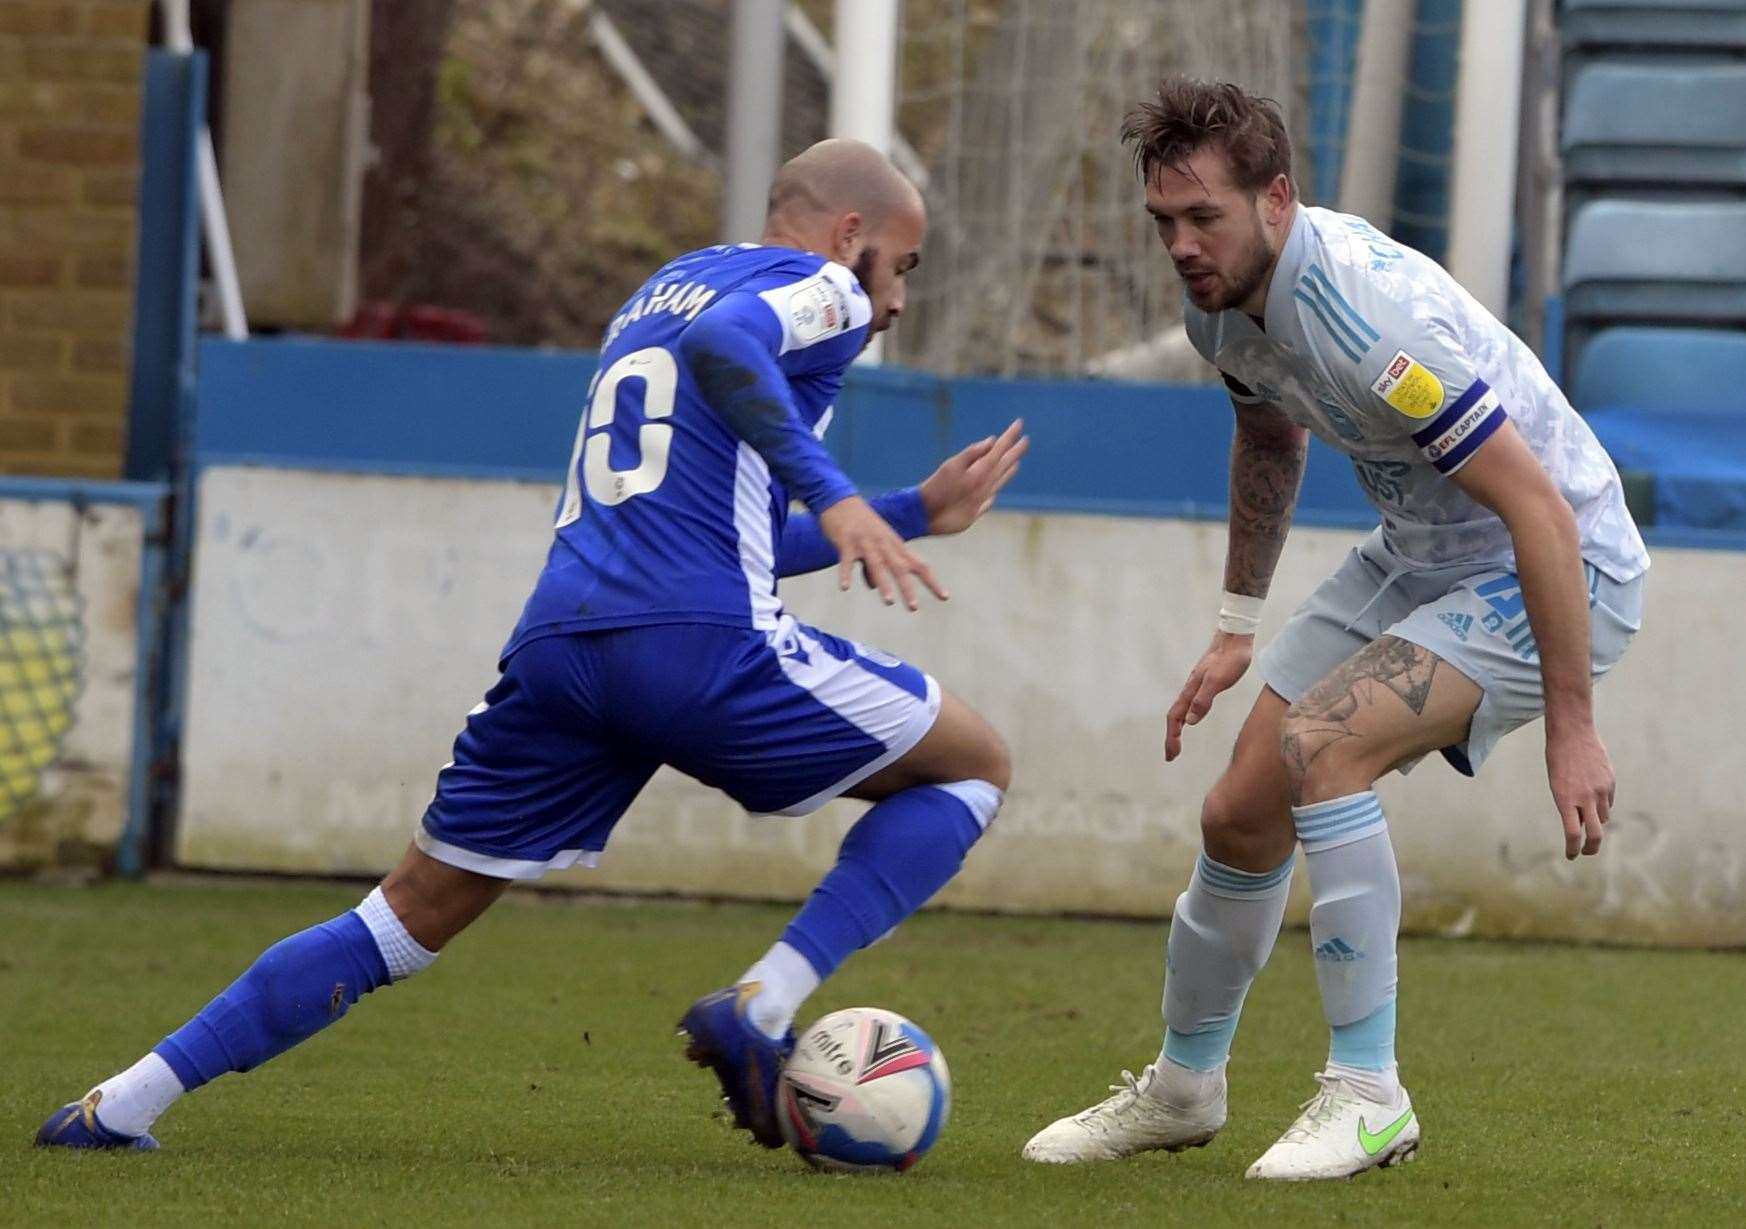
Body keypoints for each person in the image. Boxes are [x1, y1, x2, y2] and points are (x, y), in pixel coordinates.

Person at [38, 138, 1027, 1154]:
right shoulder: (825, 286)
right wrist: (845, 495)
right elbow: (732, 346)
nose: (896, 301)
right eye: (903, 265)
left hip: (563, 645)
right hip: (694, 639)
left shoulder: (667, 285)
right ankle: (765, 1002)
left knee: (403, 916)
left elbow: (740, 531)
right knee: (975, 766)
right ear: (850, 234)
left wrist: (909, 510)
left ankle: (119, 1105)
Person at [1022, 79, 1647, 1181]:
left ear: (1278, 198)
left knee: (1324, 746)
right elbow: (1269, 445)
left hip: (1556, 564)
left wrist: (1572, 719)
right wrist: (1234, 626)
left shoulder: (1371, 319)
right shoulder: (1214, 304)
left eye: (1202, 217)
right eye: (1163, 221)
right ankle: (1183, 1087)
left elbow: (1540, 508)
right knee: (1237, 813)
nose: (1180, 245)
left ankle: (1370, 1093)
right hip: (1419, 554)